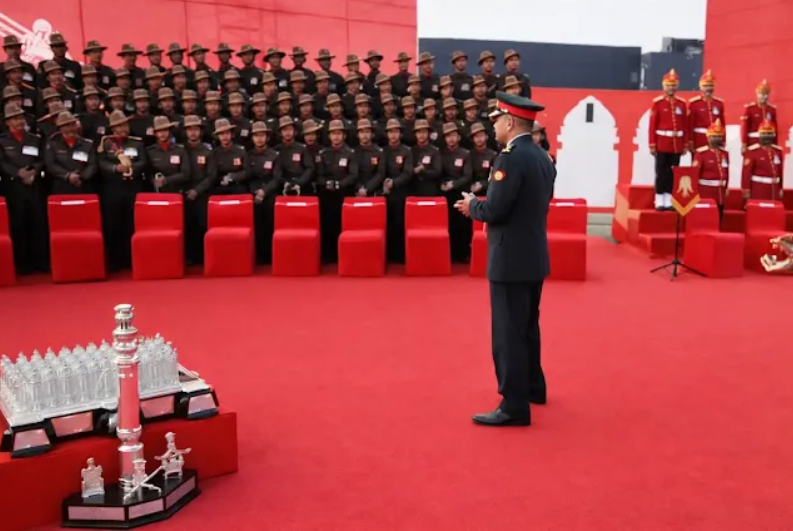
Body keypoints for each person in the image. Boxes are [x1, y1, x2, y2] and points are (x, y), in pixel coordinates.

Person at [455, 92, 555, 427]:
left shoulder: (509, 158)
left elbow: (497, 209)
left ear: (510, 121)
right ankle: (533, 387)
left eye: (497, 120)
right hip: (533, 254)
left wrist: (473, 206)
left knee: (508, 333)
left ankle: (513, 404)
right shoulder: (542, 156)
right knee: (527, 326)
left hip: (510, 256)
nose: (494, 126)